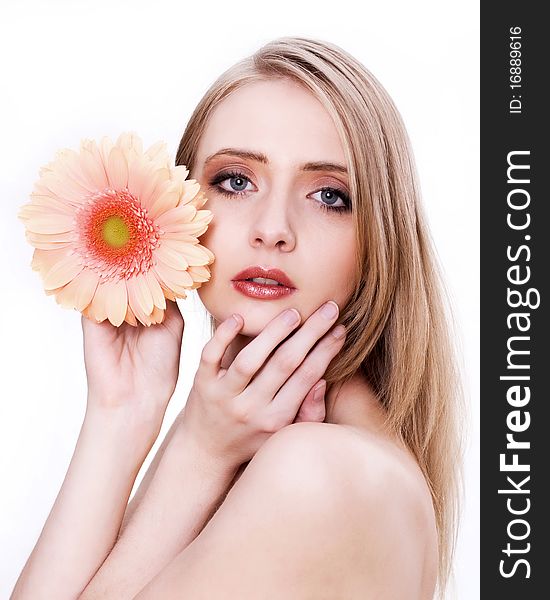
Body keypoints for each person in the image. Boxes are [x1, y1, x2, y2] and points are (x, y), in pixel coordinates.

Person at [11, 36, 463, 599]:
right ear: (180, 208)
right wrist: (121, 412)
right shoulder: (246, 429)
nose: (272, 227)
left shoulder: (320, 470)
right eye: (235, 181)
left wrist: (197, 455)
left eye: (329, 195)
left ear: (380, 239)